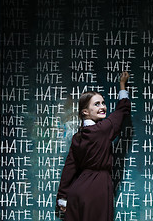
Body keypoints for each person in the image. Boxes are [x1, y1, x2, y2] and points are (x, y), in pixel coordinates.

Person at [56, 71, 131, 220]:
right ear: (85, 111)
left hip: (77, 191)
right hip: (98, 188)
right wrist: (122, 84)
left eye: (103, 103)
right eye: (96, 104)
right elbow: (123, 110)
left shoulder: (77, 137)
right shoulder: (103, 129)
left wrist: (62, 196)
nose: (102, 107)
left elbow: (70, 167)